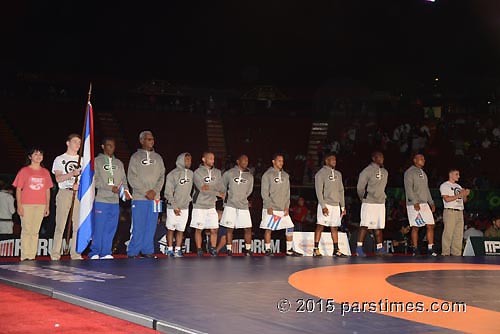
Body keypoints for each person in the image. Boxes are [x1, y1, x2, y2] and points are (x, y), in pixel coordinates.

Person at [89, 138, 131, 260]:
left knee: (111, 228)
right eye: (108, 145)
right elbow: (94, 181)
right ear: (103, 146)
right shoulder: (97, 161)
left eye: (113, 146)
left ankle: (106, 252)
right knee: (99, 228)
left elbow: (123, 181)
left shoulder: (119, 163)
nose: (111, 148)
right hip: (102, 200)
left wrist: (126, 192)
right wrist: (109, 188)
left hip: (115, 201)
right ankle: (94, 252)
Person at [127, 131, 165, 258]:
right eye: (148, 139)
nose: (151, 141)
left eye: (152, 139)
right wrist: (145, 191)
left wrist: (155, 191)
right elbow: (132, 177)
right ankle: (133, 251)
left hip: (155, 198)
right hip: (139, 198)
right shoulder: (135, 157)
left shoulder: (158, 158)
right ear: (142, 141)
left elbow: (161, 177)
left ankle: (147, 250)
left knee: (151, 225)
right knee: (138, 225)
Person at [12, 148, 53, 260]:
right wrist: (19, 205)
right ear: (30, 157)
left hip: (40, 205)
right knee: (26, 230)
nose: (38, 156)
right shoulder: (24, 171)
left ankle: (32, 255)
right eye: (36, 154)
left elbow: (47, 190)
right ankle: (25, 255)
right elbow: (18, 189)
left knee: (35, 231)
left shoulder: (45, 172)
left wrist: (47, 206)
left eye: (40, 154)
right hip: (26, 204)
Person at [260, 154, 302, 256]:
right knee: (269, 228)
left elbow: (288, 193)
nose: (281, 163)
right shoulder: (267, 175)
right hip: (271, 207)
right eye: (279, 161)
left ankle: (289, 250)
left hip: (282, 208)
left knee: (290, 226)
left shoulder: (286, 175)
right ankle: (268, 249)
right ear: (273, 161)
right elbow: (264, 192)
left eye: (282, 161)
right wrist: (268, 205)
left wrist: (287, 207)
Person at [51, 134, 83, 260]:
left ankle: (75, 253)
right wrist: (72, 174)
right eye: (75, 141)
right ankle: (55, 254)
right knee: (60, 225)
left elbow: (87, 179)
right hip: (64, 192)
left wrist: (79, 187)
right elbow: (58, 178)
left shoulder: (83, 159)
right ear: (68, 143)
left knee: (77, 225)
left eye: (79, 142)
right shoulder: (60, 159)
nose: (78, 144)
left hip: (78, 194)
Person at [313, 153, 347, 257]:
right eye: (332, 160)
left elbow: (341, 190)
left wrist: (343, 206)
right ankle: (315, 249)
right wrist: (323, 206)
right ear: (326, 161)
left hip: (336, 205)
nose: (334, 161)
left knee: (334, 227)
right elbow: (319, 191)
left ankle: (336, 250)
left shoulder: (338, 174)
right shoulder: (320, 174)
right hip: (326, 204)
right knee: (320, 226)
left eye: (335, 160)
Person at [356, 151, 389, 256]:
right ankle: (359, 248)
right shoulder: (367, 171)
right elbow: (360, 187)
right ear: (374, 158)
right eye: (379, 157)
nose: (382, 159)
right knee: (365, 225)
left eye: (383, 157)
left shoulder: (385, 172)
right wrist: (363, 198)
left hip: (380, 203)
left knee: (378, 226)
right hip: (369, 202)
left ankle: (380, 248)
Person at [190, 152, 224, 256]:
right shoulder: (197, 173)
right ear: (203, 159)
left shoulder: (217, 172)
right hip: (199, 204)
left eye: (213, 158)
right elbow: (203, 189)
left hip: (211, 204)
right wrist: (217, 193)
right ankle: (199, 249)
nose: (212, 160)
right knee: (199, 229)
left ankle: (213, 248)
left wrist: (213, 189)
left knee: (214, 228)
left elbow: (221, 187)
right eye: (210, 158)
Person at [220, 154, 254, 256]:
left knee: (248, 228)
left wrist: (242, 197)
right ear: (238, 161)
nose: (245, 162)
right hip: (230, 204)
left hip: (243, 205)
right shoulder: (229, 173)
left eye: (247, 160)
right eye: (243, 160)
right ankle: (229, 249)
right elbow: (222, 186)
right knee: (230, 228)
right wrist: (228, 197)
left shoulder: (250, 176)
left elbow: (249, 191)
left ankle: (247, 249)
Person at [404, 153, 437, 256]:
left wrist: (431, 202)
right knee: (416, 227)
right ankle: (415, 249)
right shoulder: (409, 172)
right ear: (414, 160)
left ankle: (430, 248)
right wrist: (414, 202)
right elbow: (408, 188)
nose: (423, 160)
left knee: (430, 225)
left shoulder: (423, 173)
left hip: (424, 203)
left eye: (424, 158)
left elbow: (426, 189)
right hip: (414, 203)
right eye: (421, 158)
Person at [164, 152, 193, 257]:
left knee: (181, 229)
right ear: (181, 160)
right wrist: (174, 205)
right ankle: (170, 249)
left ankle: (178, 249)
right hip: (173, 207)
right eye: (187, 160)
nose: (189, 162)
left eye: (190, 160)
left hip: (185, 207)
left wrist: (189, 201)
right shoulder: (172, 174)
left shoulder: (191, 174)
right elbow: (168, 192)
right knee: (171, 229)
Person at [439, 168, 469, 256]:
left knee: (458, 234)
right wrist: (460, 194)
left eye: (458, 174)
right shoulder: (445, 185)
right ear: (450, 174)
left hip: (460, 211)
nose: (458, 176)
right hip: (450, 211)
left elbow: (464, 200)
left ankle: (456, 254)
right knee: (448, 233)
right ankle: (445, 253)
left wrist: (465, 195)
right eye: (457, 174)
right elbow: (447, 199)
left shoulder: (459, 186)